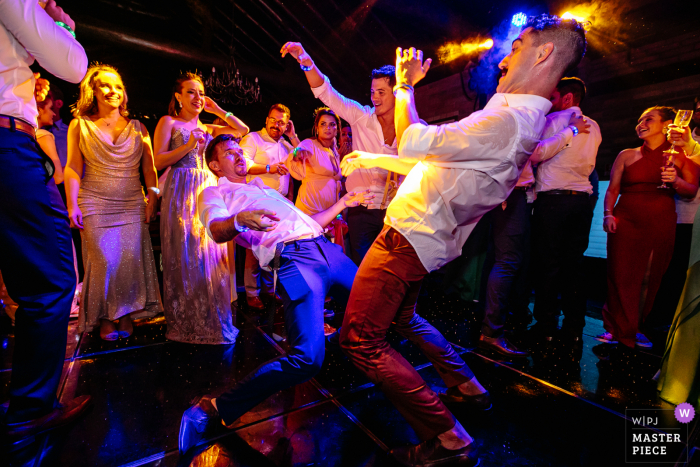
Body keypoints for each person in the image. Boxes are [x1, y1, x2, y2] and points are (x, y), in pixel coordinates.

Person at [339, 14, 587, 466]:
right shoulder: (508, 112)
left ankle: (449, 438)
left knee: (360, 339)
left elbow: (415, 141)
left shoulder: (509, 122)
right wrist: (375, 157)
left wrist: (404, 86)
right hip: (423, 234)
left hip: (407, 236)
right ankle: (467, 387)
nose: (505, 58)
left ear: (544, 53)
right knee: (406, 318)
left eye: (517, 47)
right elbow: (438, 165)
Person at [178, 134, 372, 454]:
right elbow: (215, 229)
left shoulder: (264, 188)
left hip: (326, 249)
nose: (239, 156)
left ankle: (340, 346)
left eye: (240, 150)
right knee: (307, 358)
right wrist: (239, 220)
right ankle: (211, 408)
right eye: (230, 153)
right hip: (294, 262)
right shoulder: (215, 192)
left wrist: (342, 203)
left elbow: (312, 224)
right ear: (214, 165)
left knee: (377, 304)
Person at [0, 0, 90, 448]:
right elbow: (72, 65)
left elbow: (22, 49)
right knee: (52, 278)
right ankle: (30, 411)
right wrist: (60, 25)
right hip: (6, 143)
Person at [281, 43, 402, 266]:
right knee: (362, 270)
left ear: (397, 94)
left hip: (392, 213)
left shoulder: (408, 127)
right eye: (372, 92)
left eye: (381, 92)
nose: (374, 97)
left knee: (389, 267)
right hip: (360, 212)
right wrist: (306, 61)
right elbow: (328, 93)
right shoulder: (361, 117)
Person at [65, 64, 162, 341]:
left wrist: (152, 197)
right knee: (104, 261)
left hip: (132, 202)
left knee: (128, 261)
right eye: (105, 85)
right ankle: (107, 316)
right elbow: (72, 167)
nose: (113, 91)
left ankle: (128, 313)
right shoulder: (80, 125)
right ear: (92, 91)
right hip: (94, 201)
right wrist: (72, 205)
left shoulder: (138, 127)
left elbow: (149, 171)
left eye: (118, 86)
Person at [153, 72, 248, 345]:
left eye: (201, 92)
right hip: (181, 189)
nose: (198, 97)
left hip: (206, 188)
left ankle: (211, 316)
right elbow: (158, 161)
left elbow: (242, 131)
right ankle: (186, 320)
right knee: (185, 252)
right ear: (178, 96)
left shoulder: (209, 128)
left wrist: (218, 110)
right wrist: (188, 145)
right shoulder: (168, 122)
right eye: (191, 92)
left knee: (209, 253)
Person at [599, 106, 699, 348]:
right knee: (620, 273)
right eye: (639, 120)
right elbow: (613, 189)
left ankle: (636, 327)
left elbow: (691, 191)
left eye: (648, 120)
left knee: (649, 276)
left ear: (667, 126)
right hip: (626, 218)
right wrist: (608, 214)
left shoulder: (681, 156)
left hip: (660, 219)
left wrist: (675, 180)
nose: (640, 124)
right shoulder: (626, 154)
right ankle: (615, 327)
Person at [528, 77, 601, 341]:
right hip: (581, 201)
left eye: (553, 96)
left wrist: (567, 131)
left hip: (554, 201)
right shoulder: (595, 126)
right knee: (575, 266)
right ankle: (574, 327)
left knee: (549, 264)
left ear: (567, 98)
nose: (549, 102)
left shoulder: (553, 122)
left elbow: (536, 154)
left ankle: (546, 325)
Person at [239, 104, 298, 310]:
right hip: (257, 200)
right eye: (273, 120)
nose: (276, 125)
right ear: (266, 120)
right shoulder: (253, 138)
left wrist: (293, 136)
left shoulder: (286, 145)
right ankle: (251, 293)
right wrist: (268, 168)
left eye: (281, 122)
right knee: (254, 251)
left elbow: (301, 159)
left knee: (275, 249)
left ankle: (270, 289)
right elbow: (243, 164)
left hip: (280, 202)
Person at [649, 109, 700, 329]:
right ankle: (659, 323)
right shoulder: (683, 137)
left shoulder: (690, 142)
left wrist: (688, 145)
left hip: (693, 217)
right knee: (667, 272)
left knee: (685, 275)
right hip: (674, 213)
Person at [286, 107, 342, 215]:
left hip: (329, 213)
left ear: (337, 129)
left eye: (332, 124)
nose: (327, 128)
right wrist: (297, 154)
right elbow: (298, 151)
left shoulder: (334, 152)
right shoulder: (310, 144)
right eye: (323, 124)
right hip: (310, 210)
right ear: (317, 128)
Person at [36, 94, 65, 185]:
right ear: (39, 110)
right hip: (49, 193)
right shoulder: (43, 136)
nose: (54, 113)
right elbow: (57, 177)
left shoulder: (24, 134)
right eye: (51, 108)